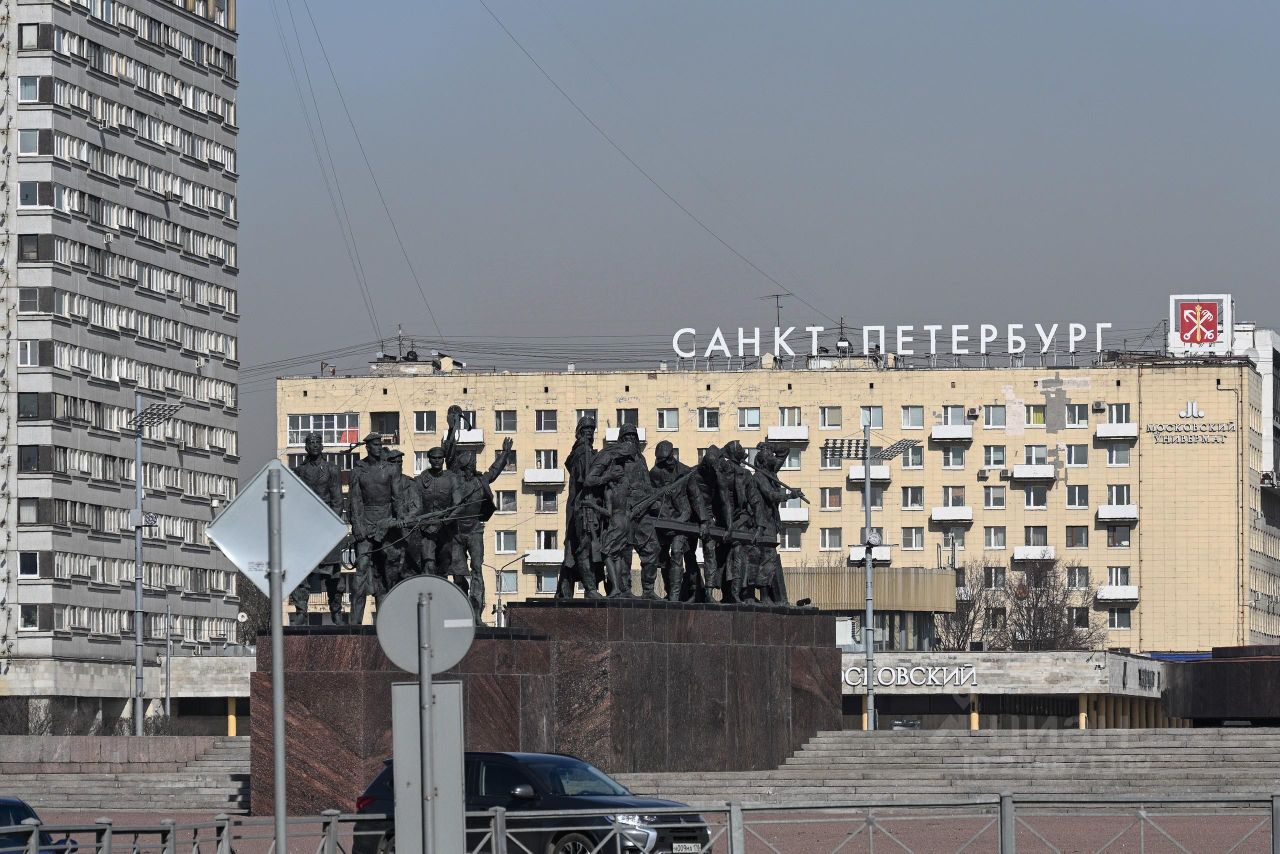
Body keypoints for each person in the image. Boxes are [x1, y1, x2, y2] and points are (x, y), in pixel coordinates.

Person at [585, 424, 661, 599]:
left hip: (643, 510)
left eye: (633, 436)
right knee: (623, 552)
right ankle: (623, 590)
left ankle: (648, 590)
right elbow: (594, 479)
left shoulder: (641, 458)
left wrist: (654, 499)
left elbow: (646, 483)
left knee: (652, 548)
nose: (631, 439)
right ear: (621, 439)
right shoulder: (614, 456)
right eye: (627, 436)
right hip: (623, 510)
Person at [448, 438, 513, 619]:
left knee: (477, 569)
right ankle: (461, 609)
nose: (474, 466)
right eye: (472, 463)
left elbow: (493, 471)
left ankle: (476, 612)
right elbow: (448, 458)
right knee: (458, 574)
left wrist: (505, 453)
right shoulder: (455, 482)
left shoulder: (480, 481)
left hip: (475, 531)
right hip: (456, 533)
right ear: (465, 466)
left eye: (474, 464)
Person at [289, 432, 347, 624]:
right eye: (311, 442)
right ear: (306, 447)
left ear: (322, 446)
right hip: (306, 527)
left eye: (317, 442)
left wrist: (330, 524)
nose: (314, 445)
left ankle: (336, 611)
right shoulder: (299, 471)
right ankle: (301, 611)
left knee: (333, 573)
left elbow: (337, 500)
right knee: (300, 570)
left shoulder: (332, 469)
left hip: (327, 526)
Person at [347, 432, 405, 623]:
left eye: (380, 445)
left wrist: (399, 519)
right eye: (375, 445)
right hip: (366, 524)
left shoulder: (391, 469)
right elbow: (355, 500)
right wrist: (357, 526)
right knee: (361, 570)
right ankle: (355, 622)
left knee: (387, 572)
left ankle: (386, 620)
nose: (379, 448)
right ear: (368, 447)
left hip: (387, 524)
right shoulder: (358, 470)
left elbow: (397, 497)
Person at [558, 415, 606, 598]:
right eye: (586, 430)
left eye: (592, 430)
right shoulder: (582, 453)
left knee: (575, 546)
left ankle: (564, 591)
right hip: (585, 507)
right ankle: (590, 588)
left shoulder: (586, 452)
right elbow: (587, 479)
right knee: (584, 547)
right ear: (579, 433)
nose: (589, 433)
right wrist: (607, 476)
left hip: (587, 506)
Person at [649, 440, 698, 601]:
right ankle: (670, 592)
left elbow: (695, 497)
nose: (668, 463)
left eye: (669, 458)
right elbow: (651, 496)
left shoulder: (685, 471)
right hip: (663, 519)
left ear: (673, 455)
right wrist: (661, 496)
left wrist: (704, 520)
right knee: (662, 558)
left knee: (677, 552)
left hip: (682, 519)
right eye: (664, 461)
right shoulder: (655, 473)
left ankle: (674, 596)